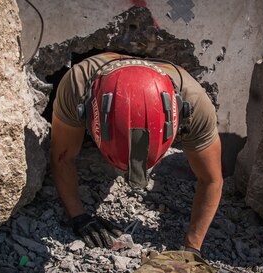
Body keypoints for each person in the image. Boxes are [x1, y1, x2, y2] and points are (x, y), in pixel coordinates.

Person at [50, 52, 222, 256]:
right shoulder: (77, 84)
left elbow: (211, 179)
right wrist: (78, 216)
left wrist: (192, 248)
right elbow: (62, 156)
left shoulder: (196, 105)